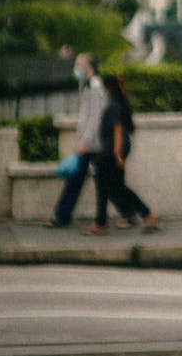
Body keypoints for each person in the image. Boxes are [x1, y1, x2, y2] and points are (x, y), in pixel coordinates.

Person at [83, 74, 159, 236]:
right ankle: (146, 214)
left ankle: (101, 224)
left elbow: (118, 129)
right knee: (116, 187)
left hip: (111, 151)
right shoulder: (118, 103)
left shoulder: (113, 106)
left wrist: (117, 154)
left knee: (106, 187)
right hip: (113, 150)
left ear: (108, 88)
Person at [44, 53, 105, 228]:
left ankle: (62, 217)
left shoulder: (95, 86)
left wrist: (84, 141)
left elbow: (95, 117)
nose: (76, 67)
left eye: (79, 64)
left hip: (92, 144)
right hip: (91, 144)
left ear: (89, 66)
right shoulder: (88, 85)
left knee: (81, 181)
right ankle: (62, 216)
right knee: (80, 180)